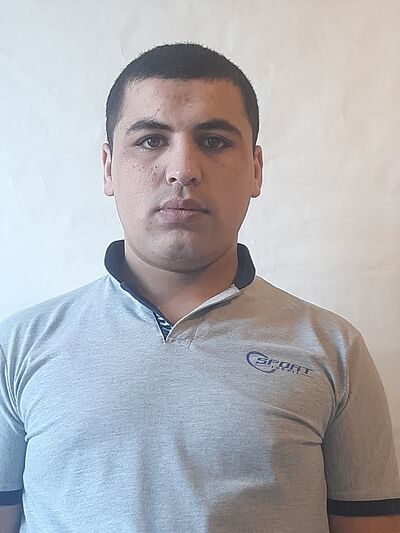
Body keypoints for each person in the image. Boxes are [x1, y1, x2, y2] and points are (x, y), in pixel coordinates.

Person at [0, 43, 399, 533]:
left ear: (255, 169)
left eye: (213, 141)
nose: (183, 169)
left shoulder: (334, 349)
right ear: (108, 167)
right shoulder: (18, 346)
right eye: (150, 140)